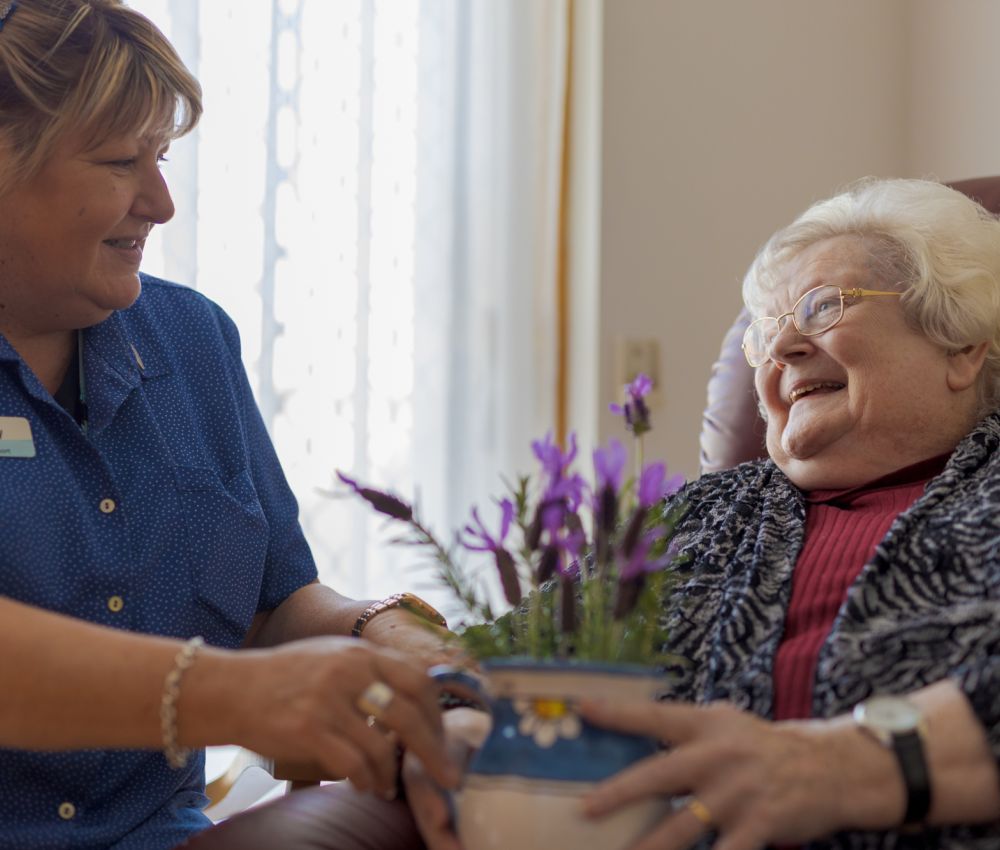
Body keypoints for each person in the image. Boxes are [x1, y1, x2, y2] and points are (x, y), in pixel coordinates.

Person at [407, 178, 1000, 850]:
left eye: (821, 307)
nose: (782, 350)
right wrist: (453, 720)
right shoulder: (695, 519)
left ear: (961, 345)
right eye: (766, 336)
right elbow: (499, 661)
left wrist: (840, 765)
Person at [0, 2, 458, 848]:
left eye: (162, 158)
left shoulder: (193, 342)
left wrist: (381, 632)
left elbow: (272, 608)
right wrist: (233, 695)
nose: (162, 202)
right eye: (116, 162)